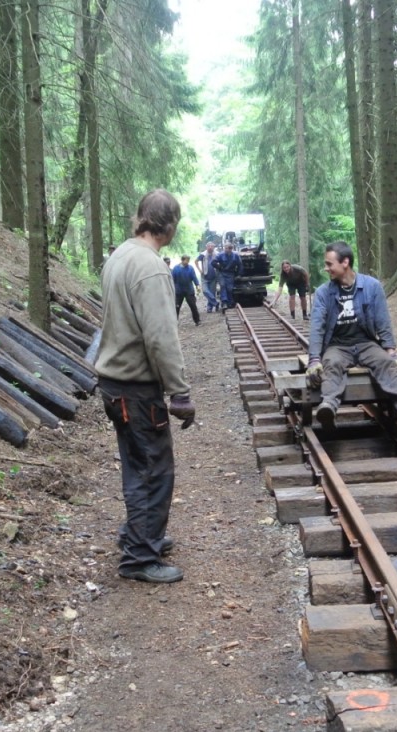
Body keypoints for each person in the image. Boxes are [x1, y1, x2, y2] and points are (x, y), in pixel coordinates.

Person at [92, 189, 196, 584]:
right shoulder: (151, 268)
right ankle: (139, 558)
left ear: (140, 218)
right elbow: (160, 337)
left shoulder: (119, 255)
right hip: (136, 387)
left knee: (139, 465)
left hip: (115, 382)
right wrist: (179, 392)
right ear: (169, 227)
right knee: (153, 470)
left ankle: (141, 535)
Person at [306, 241, 397, 430]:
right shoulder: (324, 293)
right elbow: (317, 327)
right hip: (337, 346)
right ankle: (328, 407)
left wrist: (390, 352)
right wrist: (314, 360)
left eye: (329, 264)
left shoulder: (372, 286)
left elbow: (383, 320)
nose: (326, 268)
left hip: (366, 343)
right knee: (331, 363)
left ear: (345, 262)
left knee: (385, 362)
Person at [172, 254, 201, 326]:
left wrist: (197, 285)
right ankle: (174, 322)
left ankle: (197, 320)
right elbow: (172, 279)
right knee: (176, 307)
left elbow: (194, 277)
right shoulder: (176, 268)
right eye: (186, 260)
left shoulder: (190, 268)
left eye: (188, 260)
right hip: (179, 290)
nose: (187, 262)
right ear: (182, 260)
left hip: (189, 290)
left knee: (193, 305)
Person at [212, 241, 242, 309]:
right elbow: (213, 262)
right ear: (224, 248)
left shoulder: (235, 255)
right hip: (222, 273)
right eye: (226, 248)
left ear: (231, 249)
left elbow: (240, 265)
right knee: (223, 285)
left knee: (230, 288)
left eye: (229, 248)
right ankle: (224, 302)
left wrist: (239, 274)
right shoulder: (220, 255)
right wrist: (219, 267)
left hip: (230, 273)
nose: (227, 250)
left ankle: (230, 302)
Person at [195, 241, 220, 313]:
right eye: (209, 246)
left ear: (214, 247)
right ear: (206, 247)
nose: (210, 247)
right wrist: (200, 270)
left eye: (212, 246)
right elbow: (196, 261)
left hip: (213, 276)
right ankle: (216, 303)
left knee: (212, 292)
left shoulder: (217, 254)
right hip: (204, 276)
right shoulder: (203, 254)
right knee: (205, 291)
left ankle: (209, 307)